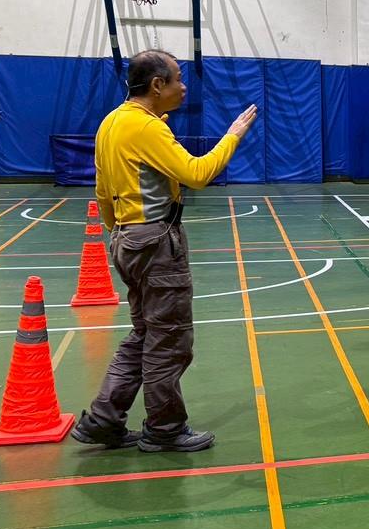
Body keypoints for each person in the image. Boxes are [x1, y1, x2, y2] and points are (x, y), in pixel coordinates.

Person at [73, 50, 257, 452]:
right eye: (177, 78)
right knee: (169, 340)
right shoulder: (147, 128)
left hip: (126, 239)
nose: (183, 86)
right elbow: (198, 174)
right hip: (156, 243)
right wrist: (233, 136)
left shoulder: (111, 123)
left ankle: (104, 419)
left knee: (145, 334)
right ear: (157, 85)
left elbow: (102, 191)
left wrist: (121, 234)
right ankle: (165, 428)